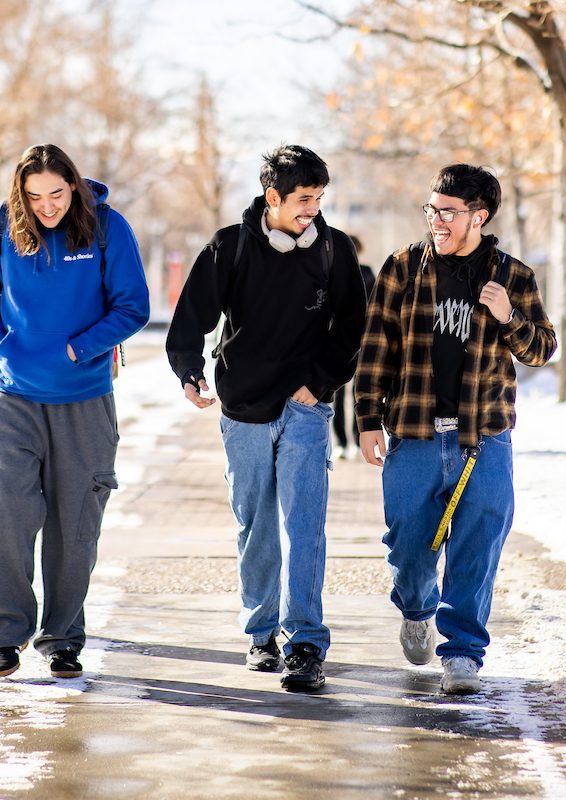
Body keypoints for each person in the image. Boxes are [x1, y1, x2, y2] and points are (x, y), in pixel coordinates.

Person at [166, 145, 367, 692]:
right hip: (244, 408)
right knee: (255, 525)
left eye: (320, 198)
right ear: (272, 197)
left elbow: (353, 326)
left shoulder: (334, 248)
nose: (313, 209)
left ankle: (305, 641)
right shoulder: (230, 247)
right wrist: (188, 369)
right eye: (304, 199)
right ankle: (261, 633)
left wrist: (319, 383)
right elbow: (192, 316)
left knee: (304, 525)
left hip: (305, 407)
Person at [354, 164, 556, 694]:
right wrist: (368, 418)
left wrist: (510, 316)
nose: (436, 220)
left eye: (448, 212)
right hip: (414, 432)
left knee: (478, 543)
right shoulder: (402, 268)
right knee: (408, 545)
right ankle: (416, 608)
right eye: (432, 209)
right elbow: (376, 346)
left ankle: (463, 652)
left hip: (483, 436)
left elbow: (542, 350)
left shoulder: (513, 276)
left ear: (479, 217)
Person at [0, 144, 150, 679]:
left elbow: (133, 305)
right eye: (34, 196)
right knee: (6, 517)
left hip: (83, 401)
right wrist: (3, 346)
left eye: (57, 194)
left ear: (75, 187)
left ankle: (64, 639)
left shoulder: (108, 227)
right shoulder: (2, 224)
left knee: (75, 525)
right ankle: (4, 636)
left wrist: (78, 349)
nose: (46, 207)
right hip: (11, 398)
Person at [331, 234, 376, 459]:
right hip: (338, 342)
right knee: (337, 393)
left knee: (360, 393)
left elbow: (375, 305)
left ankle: (358, 442)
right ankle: (340, 441)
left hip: (363, 341)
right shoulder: (334, 271)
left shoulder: (366, 272)